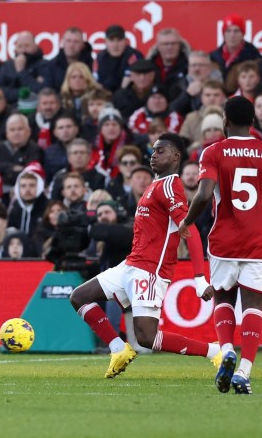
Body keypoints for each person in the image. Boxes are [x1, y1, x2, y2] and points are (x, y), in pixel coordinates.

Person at [69, 133, 219, 379]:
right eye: (153, 150)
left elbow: (189, 228)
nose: (154, 155)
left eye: (161, 151)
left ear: (176, 156)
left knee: (147, 338)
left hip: (150, 270)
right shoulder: (155, 185)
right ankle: (118, 349)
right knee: (79, 297)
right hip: (130, 264)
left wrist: (200, 277)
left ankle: (215, 352)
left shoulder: (170, 185)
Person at [179, 96, 262, 395]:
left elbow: (203, 195)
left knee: (224, 298)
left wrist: (188, 221)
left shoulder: (213, 152)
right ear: (253, 122)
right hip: (258, 241)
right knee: (253, 305)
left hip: (223, 242)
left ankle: (227, 349)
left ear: (225, 123)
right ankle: (244, 371)